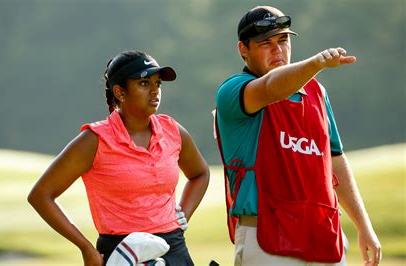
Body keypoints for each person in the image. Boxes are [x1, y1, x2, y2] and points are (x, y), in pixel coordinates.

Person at [214, 5, 381, 266]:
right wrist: (317, 63)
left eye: (283, 40)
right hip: (266, 237)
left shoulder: (317, 92)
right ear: (243, 49)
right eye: (265, 43)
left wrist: (363, 225)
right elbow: (272, 87)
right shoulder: (233, 91)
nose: (278, 50)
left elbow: (334, 160)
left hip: (322, 234)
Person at [28, 50, 210, 266]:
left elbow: (200, 173)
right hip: (120, 254)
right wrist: (85, 247)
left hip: (173, 250)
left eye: (157, 83)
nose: (154, 91)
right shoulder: (94, 140)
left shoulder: (172, 130)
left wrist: (182, 218)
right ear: (120, 92)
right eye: (144, 83)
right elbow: (41, 195)